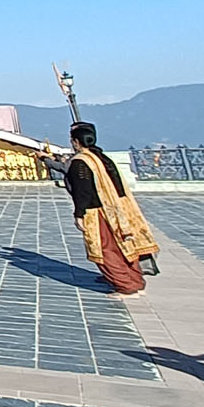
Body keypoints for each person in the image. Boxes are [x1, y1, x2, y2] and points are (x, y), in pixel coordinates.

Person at [62, 122, 158, 297]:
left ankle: (126, 285)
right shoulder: (102, 158)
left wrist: (79, 214)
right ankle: (135, 280)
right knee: (124, 246)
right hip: (119, 208)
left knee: (105, 249)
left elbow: (83, 190)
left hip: (98, 211)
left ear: (76, 142)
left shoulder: (81, 162)